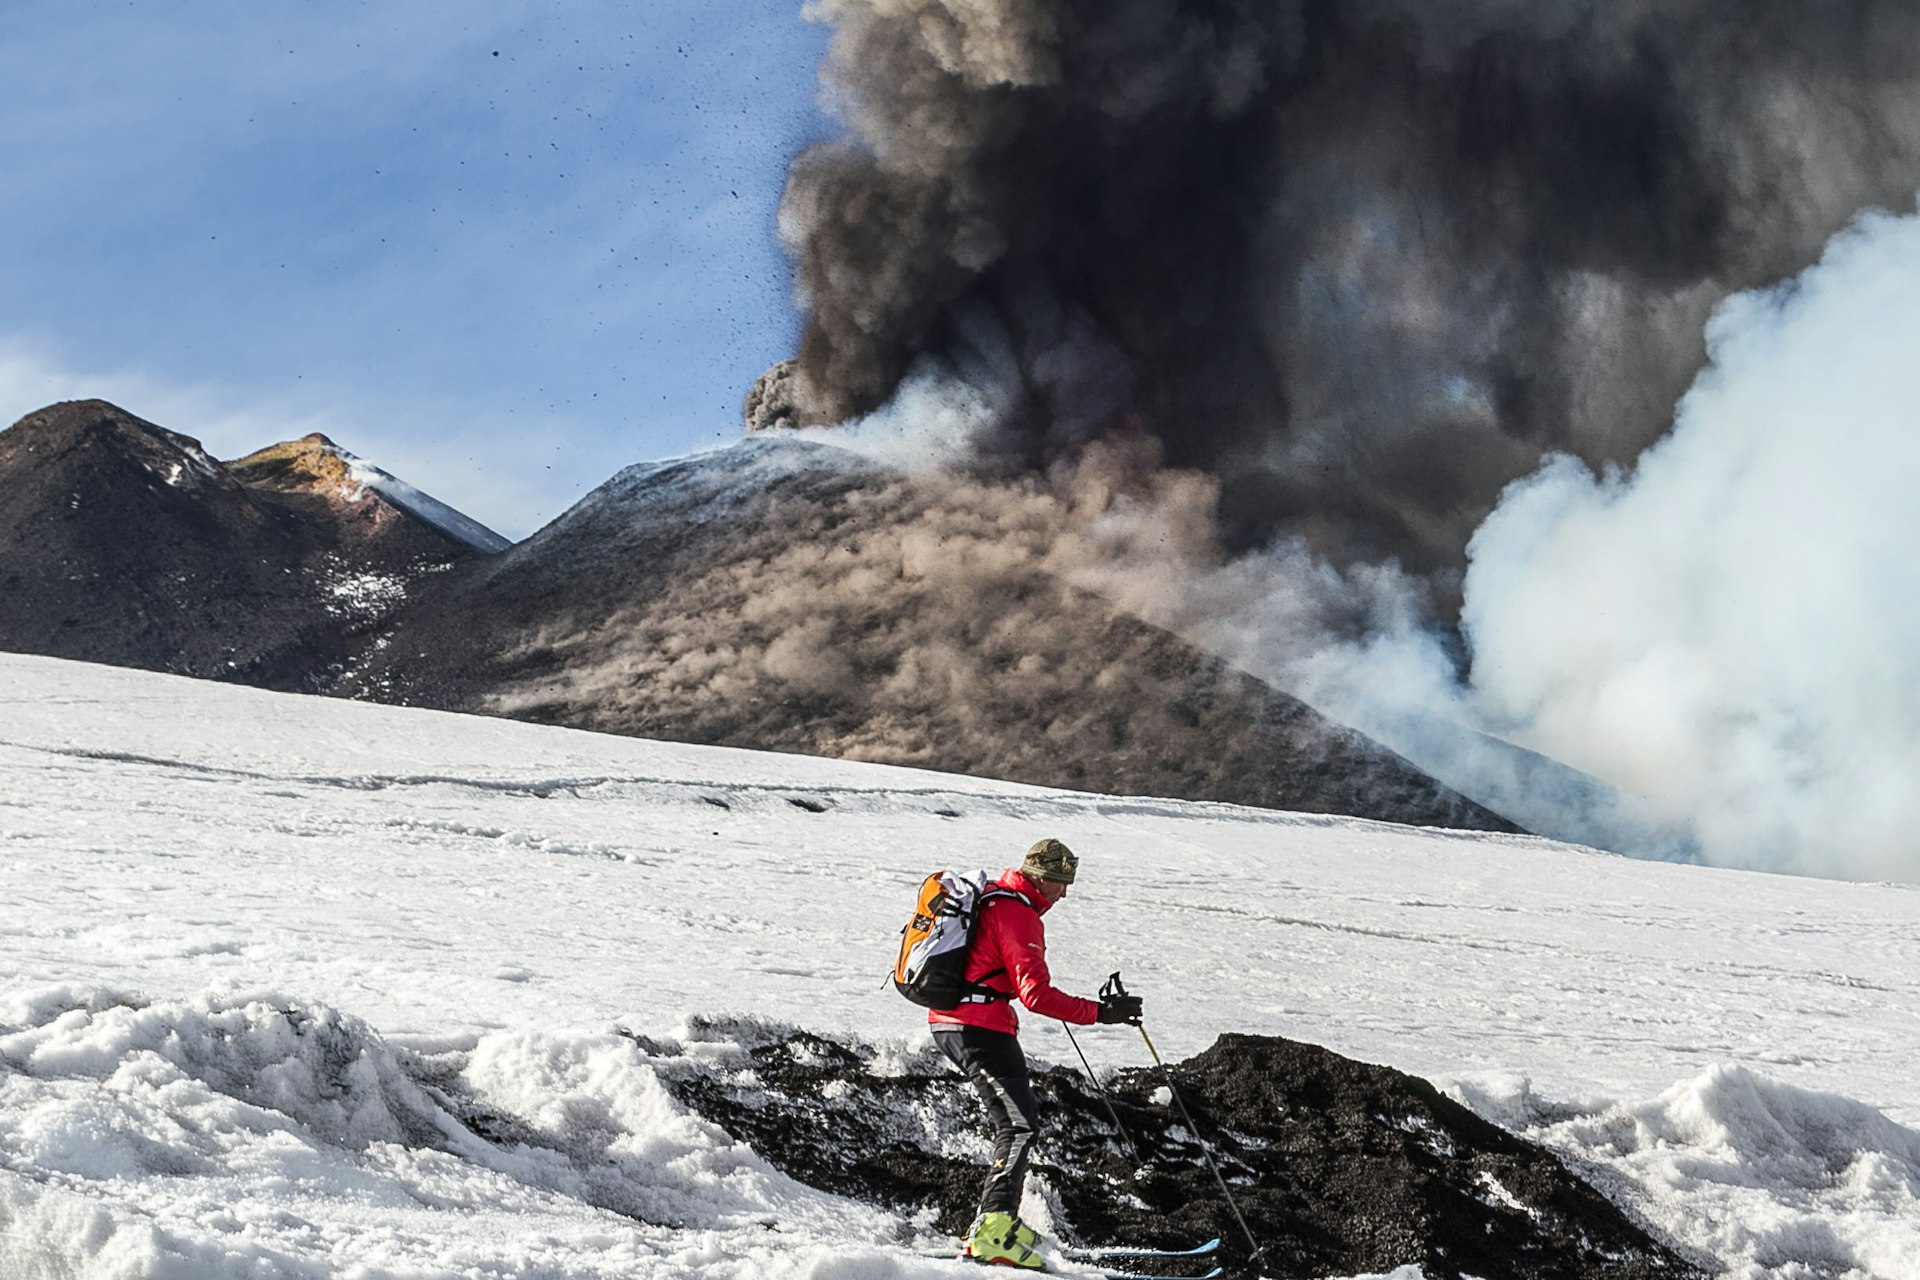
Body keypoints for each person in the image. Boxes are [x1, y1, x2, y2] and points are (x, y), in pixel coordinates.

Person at [932, 837, 1144, 1270]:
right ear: (1041, 878)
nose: (1063, 894)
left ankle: (1000, 1222)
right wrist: (1101, 1014)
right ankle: (992, 1230)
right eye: (1060, 883)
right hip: (977, 1027)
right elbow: (1035, 995)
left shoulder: (995, 896)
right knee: (1018, 1125)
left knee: (1020, 1121)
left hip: (963, 1020)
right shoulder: (1017, 912)